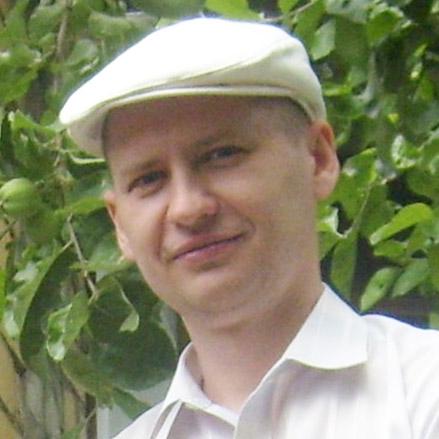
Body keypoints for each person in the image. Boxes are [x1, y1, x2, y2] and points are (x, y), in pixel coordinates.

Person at [60, 17, 439, 439]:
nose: (188, 208)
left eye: (222, 155)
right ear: (119, 223)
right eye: (148, 179)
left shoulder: (425, 390)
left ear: (318, 159)